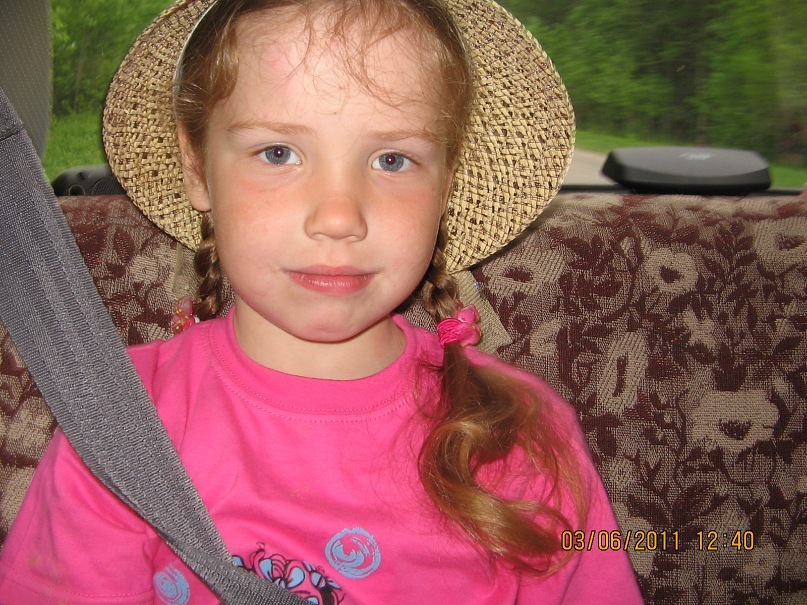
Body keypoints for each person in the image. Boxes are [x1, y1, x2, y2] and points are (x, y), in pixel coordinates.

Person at [0, 0, 644, 602]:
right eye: (278, 153)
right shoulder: (119, 421)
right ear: (197, 168)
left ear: (446, 181)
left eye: (392, 160)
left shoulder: (519, 434)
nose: (339, 217)